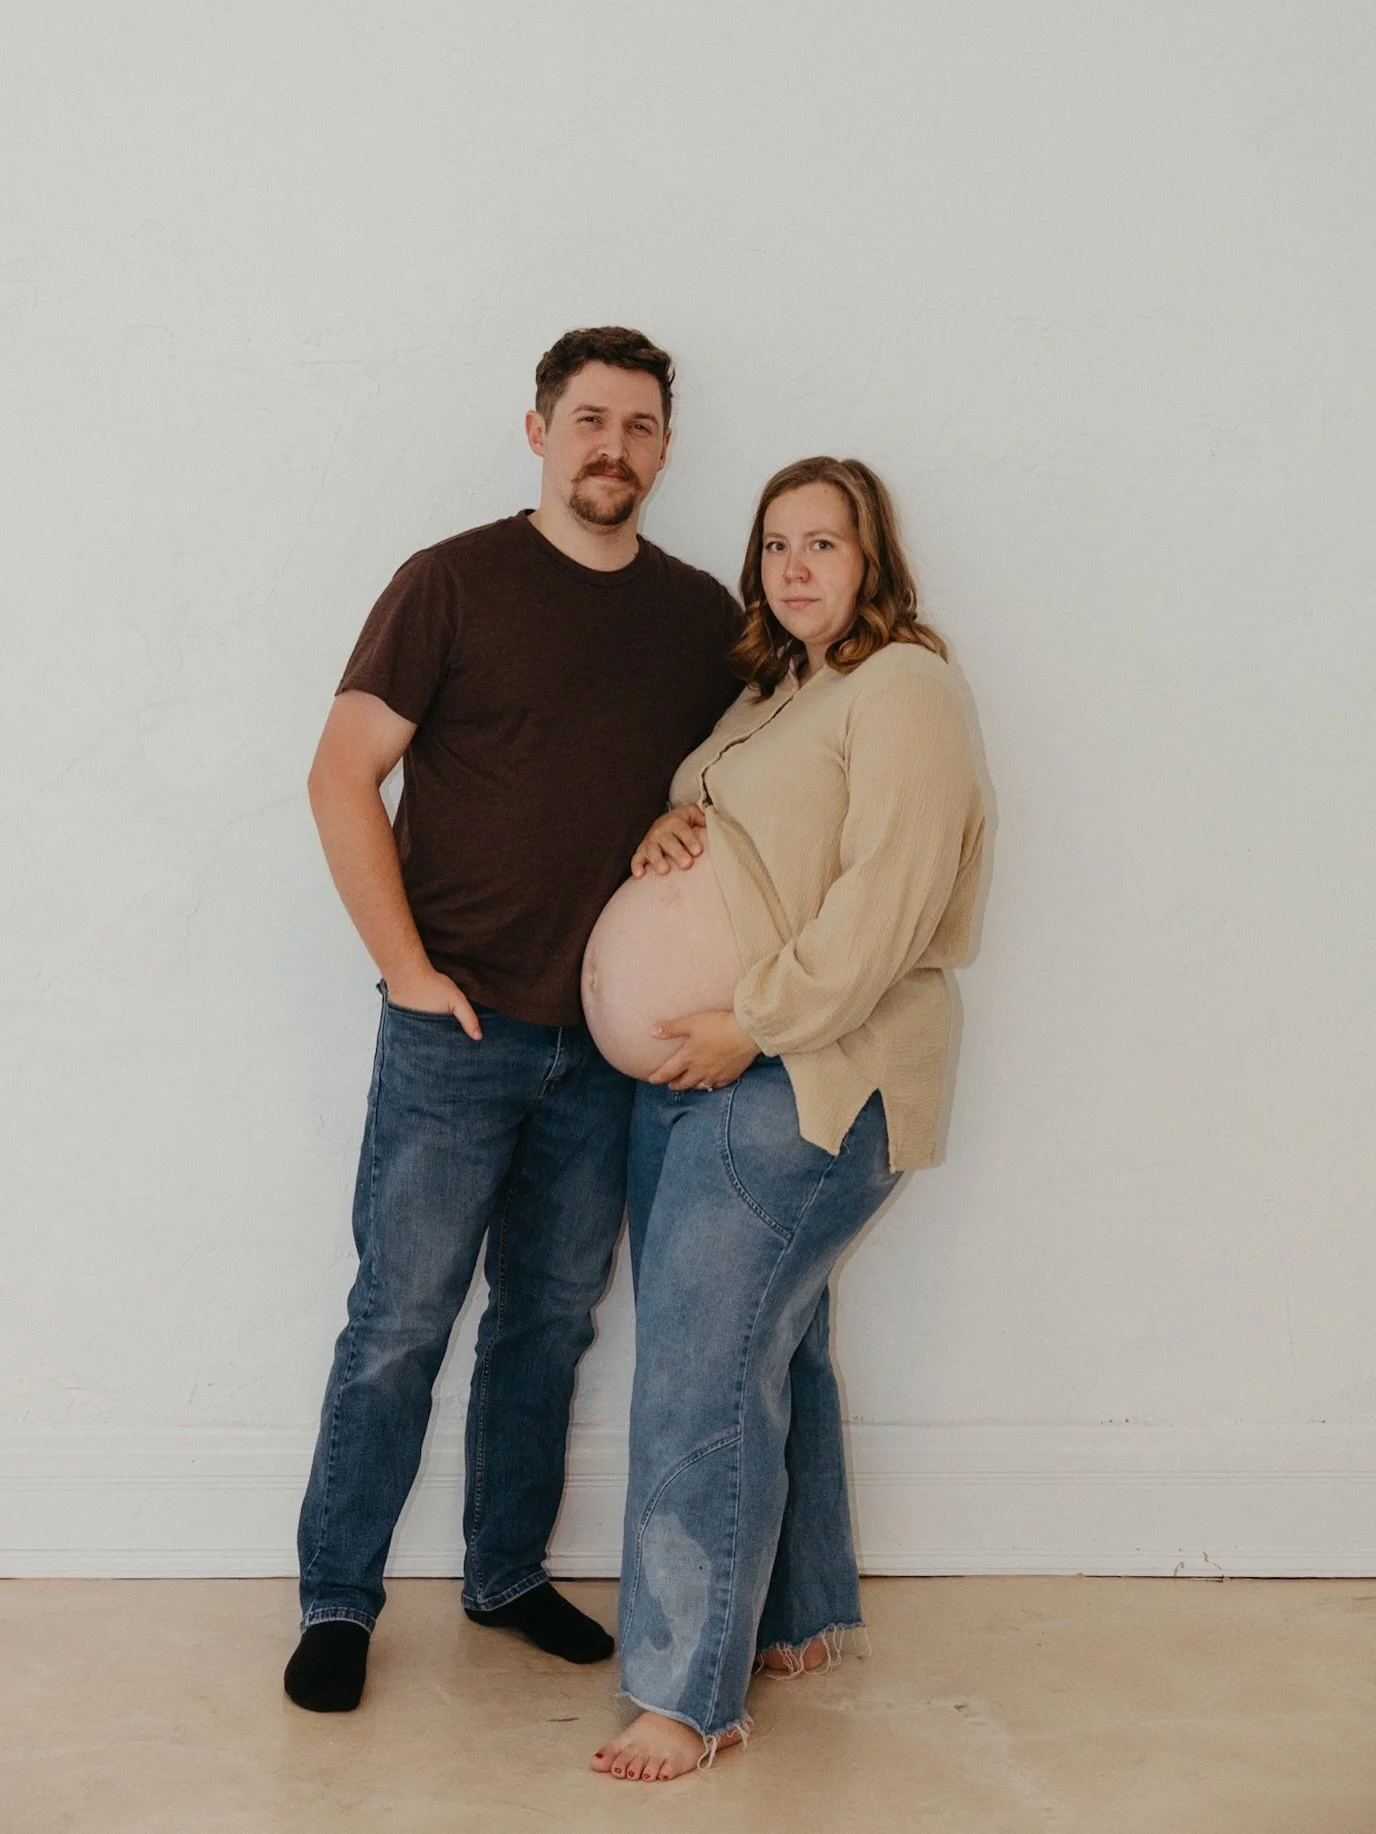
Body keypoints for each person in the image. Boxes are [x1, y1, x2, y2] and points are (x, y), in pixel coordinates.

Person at [284, 328, 740, 1713]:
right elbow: (339, 776)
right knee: (400, 1320)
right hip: (455, 1029)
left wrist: (689, 807)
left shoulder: (697, 615)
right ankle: (338, 1599)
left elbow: (741, 778)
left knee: (548, 1319)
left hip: (606, 1043)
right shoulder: (452, 583)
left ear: (665, 448)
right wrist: (410, 970)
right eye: (589, 418)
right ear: (538, 429)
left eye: (642, 426)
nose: (615, 447)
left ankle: (501, 1575)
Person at [583, 456, 986, 1780]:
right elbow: (736, 822)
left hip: (805, 1068)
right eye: (777, 545)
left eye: (826, 543)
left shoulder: (906, 687)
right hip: (709, 1071)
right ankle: (797, 1614)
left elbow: (888, 897)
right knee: (775, 1344)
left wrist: (748, 1021)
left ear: (875, 561)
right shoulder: (776, 692)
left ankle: (685, 1694)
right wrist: (669, 820)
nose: (796, 566)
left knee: (702, 1369)